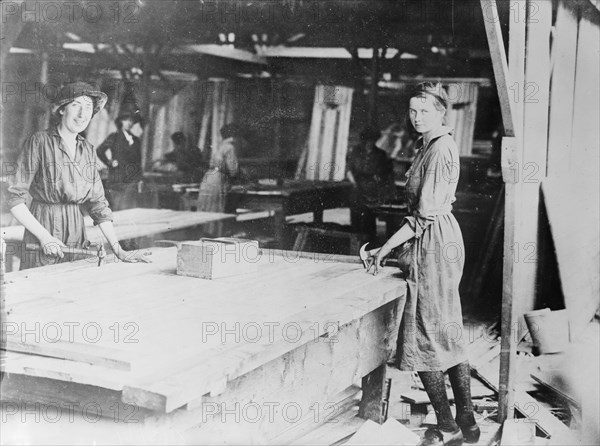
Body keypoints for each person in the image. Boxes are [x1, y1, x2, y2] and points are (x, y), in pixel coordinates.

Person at [366, 82, 479, 445]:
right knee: (447, 328)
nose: (416, 118)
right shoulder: (428, 144)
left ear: (442, 112)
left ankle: (448, 428)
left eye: (425, 112)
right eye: (413, 111)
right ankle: (468, 421)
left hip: (432, 241)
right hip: (438, 238)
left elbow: (422, 217)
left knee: (426, 333)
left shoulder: (440, 149)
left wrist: (383, 249)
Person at [6, 82, 151, 269]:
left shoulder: (88, 150)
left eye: (89, 107)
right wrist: (44, 237)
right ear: (61, 110)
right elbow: (14, 197)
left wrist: (118, 249)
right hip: (44, 224)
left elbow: (98, 203)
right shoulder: (39, 142)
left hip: (76, 228)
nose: (83, 114)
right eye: (76, 105)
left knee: (73, 287)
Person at [346, 126, 395, 236]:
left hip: (372, 189)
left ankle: (370, 240)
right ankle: (355, 238)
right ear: (363, 140)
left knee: (369, 216)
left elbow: (385, 174)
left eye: (372, 140)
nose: (369, 143)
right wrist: (353, 183)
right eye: (367, 140)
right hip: (357, 186)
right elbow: (349, 169)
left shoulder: (380, 154)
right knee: (356, 215)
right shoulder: (355, 151)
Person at [196, 123, 245, 234]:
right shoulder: (230, 147)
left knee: (208, 207)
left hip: (209, 177)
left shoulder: (220, 146)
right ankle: (216, 235)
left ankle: (207, 234)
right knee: (216, 208)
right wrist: (242, 176)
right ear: (234, 135)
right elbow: (233, 170)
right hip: (217, 179)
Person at [96, 102, 145, 210]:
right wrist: (110, 162)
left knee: (129, 209)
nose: (129, 123)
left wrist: (140, 179)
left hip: (132, 180)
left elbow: (139, 161)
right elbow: (100, 150)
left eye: (131, 120)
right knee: (118, 209)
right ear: (121, 121)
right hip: (117, 179)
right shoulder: (114, 137)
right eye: (126, 120)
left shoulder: (136, 140)